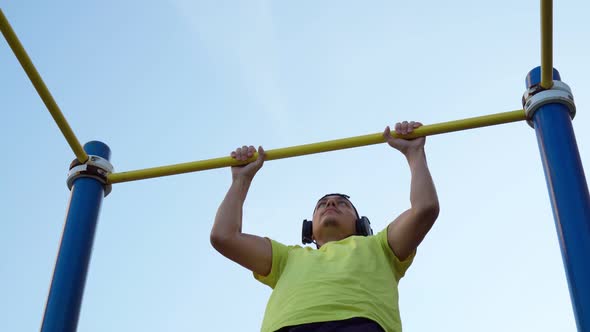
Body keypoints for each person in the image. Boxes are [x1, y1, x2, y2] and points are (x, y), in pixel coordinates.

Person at [211, 121, 439, 332]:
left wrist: (414, 153)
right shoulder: (286, 257)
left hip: (361, 325)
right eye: (322, 204)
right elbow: (224, 236)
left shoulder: (381, 246)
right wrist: (240, 180)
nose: (330, 204)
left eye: (342, 204)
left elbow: (425, 208)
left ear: (362, 225)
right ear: (309, 230)